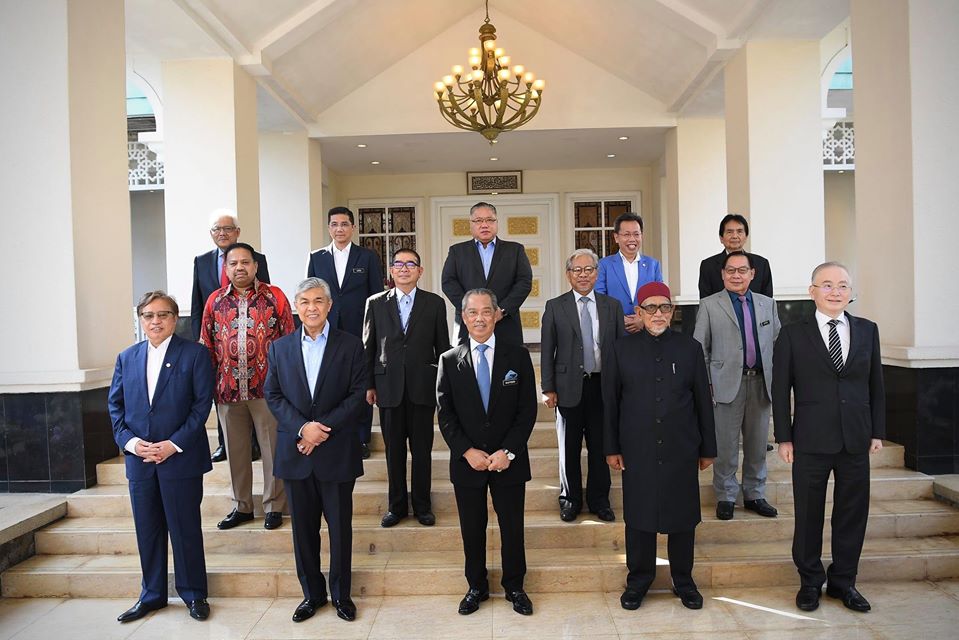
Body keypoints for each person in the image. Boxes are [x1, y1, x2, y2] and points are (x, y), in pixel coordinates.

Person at [772, 261, 885, 614]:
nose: (835, 291)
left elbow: (876, 384)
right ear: (812, 292)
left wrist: (877, 431)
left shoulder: (868, 330)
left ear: (850, 293)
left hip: (855, 438)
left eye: (842, 285)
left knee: (852, 513)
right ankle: (809, 582)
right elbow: (780, 389)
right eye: (827, 285)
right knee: (808, 513)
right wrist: (784, 437)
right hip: (809, 439)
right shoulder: (792, 333)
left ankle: (843, 583)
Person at [604, 281, 716, 611]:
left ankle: (684, 580)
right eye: (650, 308)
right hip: (637, 448)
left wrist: (707, 447)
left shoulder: (690, 348)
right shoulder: (620, 349)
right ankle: (638, 580)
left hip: (681, 447)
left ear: (672, 312)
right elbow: (610, 402)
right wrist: (611, 447)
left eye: (664, 307)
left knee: (683, 516)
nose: (657, 314)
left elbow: (702, 402)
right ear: (638, 312)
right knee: (639, 516)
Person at [265, 277, 367, 624]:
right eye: (305, 301)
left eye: (319, 301)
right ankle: (312, 594)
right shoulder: (279, 348)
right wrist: (302, 428)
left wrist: (321, 429)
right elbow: (273, 395)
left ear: (329, 306)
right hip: (296, 452)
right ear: (296, 306)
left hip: (336, 451)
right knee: (303, 531)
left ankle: (341, 594)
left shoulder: (351, 345)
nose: (312, 307)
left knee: (340, 529)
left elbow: (357, 395)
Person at [108, 291, 214, 623]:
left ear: (174, 318)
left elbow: (200, 407)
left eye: (163, 315)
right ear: (140, 320)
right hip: (140, 461)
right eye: (149, 315)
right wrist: (133, 444)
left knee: (184, 528)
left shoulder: (195, 355)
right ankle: (152, 595)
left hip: (179, 458)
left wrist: (173, 444)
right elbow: (116, 408)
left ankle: (194, 594)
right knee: (148, 530)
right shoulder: (127, 357)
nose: (156, 321)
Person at [436, 288, 537, 616]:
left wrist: (508, 451)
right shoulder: (449, 360)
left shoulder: (517, 356)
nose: (479, 318)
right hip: (469, 463)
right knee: (472, 527)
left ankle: (515, 586)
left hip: (508, 461)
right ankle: (476, 585)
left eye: (485, 312)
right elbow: (445, 413)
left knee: (512, 526)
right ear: (463, 318)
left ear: (496, 315)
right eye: (472, 312)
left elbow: (526, 411)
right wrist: (467, 451)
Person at [200, 242, 293, 531]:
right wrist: (208, 386)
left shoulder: (274, 296)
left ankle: (274, 506)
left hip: (268, 390)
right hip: (228, 389)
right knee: (236, 451)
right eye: (233, 263)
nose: (239, 267)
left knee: (272, 449)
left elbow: (289, 341)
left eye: (245, 262)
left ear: (255, 266)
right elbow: (207, 346)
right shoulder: (214, 301)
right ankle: (241, 506)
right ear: (225, 268)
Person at [363, 248, 450, 528]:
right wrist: (369, 384)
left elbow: (443, 349)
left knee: (422, 451)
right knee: (394, 451)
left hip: (423, 387)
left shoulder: (434, 303)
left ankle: (423, 506)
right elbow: (369, 347)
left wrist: (442, 386)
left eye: (410, 264)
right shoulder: (375, 303)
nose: (403, 268)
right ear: (391, 271)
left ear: (420, 271)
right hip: (388, 388)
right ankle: (397, 506)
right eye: (398, 264)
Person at [693, 251, 781, 521]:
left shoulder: (768, 304)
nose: (736, 275)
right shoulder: (709, 305)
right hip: (724, 384)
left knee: (757, 444)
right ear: (722, 274)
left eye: (742, 270)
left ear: (752, 274)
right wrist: (706, 383)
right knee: (726, 445)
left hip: (760, 383)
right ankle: (726, 495)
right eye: (730, 270)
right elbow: (699, 349)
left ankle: (754, 493)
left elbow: (776, 342)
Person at [540, 248, 623, 523]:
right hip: (567, 388)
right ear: (568, 275)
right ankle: (570, 499)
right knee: (569, 448)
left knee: (601, 447)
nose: (583, 275)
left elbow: (622, 349)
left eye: (589, 270)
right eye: (578, 270)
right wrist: (548, 387)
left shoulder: (612, 306)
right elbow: (547, 349)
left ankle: (600, 501)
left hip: (603, 386)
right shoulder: (555, 306)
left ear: (597, 274)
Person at [191, 208, 270, 463]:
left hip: (254, 347)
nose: (222, 233)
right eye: (217, 229)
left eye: (227, 229)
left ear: (237, 232)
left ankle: (256, 444)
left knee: (259, 406)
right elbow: (197, 306)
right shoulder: (201, 261)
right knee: (223, 400)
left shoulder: (256, 258)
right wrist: (201, 345)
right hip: (219, 346)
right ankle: (225, 444)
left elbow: (266, 298)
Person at [306, 206, 384, 459]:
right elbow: (311, 294)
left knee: (358, 383)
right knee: (330, 382)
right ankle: (330, 431)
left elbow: (376, 295)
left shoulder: (368, 257)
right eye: (334, 224)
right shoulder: (317, 257)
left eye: (344, 224)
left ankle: (362, 437)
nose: (339, 229)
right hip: (327, 330)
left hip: (359, 330)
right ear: (329, 228)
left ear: (353, 227)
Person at [441, 202, 533, 346]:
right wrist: (470, 311)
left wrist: (501, 310)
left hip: (505, 322)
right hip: (469, 325)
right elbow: (448, 282)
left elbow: (524, 282)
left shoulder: (515, 250)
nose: (484, 225)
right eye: (478, 221)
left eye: (490, 220)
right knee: (468, 366)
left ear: (497, 222)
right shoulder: (457, 251)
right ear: (471, 224)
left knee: (508, 366)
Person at [595, 212, 664, 334]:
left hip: (647, 331)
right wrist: (620, 320)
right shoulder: (603, 265)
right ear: (616, 237)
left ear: (641, 236)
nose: (632, 239)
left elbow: (660, 298)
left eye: (636, 234)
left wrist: (642, 319)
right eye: (626, 234)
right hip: (615, 332)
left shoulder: (653, 265)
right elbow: (599, 298)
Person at [698, 214, 773, 299]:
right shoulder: (708, 266)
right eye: (729, 232)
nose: (734, 236)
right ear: (721, 238)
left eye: (739, 231)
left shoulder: (761, 264)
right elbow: (705, 302)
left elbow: (767, 302)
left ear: (746, 237)